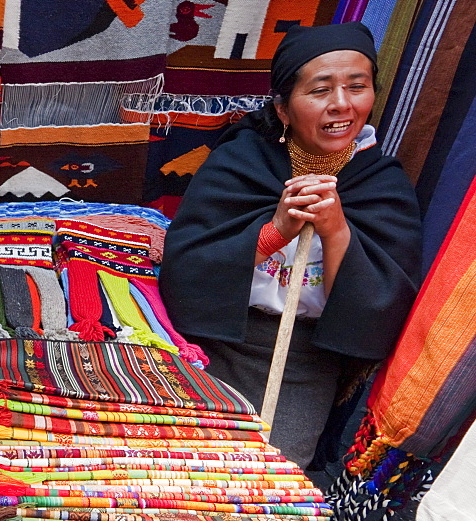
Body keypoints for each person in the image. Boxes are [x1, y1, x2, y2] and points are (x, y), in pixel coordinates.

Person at [158, 22, 422, 469]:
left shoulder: (382, 183)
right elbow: (186, 271)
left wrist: (336, 230)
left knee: (271, 491)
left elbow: (382, 304)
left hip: (305, 361)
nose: (342, 104)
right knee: (182, 475)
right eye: (320, 90)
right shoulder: (240, 161)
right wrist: (276, 229)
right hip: (211, 344)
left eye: (357, 87)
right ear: (282, 108)